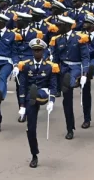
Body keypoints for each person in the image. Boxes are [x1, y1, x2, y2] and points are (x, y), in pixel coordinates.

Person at [18, 38, 59, 168]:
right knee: (31, 129)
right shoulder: (26, 66)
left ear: (43, 51)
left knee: (38, 93)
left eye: (39, 50)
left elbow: (53, 86)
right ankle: (34, 154)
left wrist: (52, 101)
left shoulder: (49, 66)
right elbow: (22, 86)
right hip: (30, 97)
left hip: (43, 94)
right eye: (35, 50)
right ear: (32, 51)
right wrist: (22, 106)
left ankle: (36, 96)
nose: (37, 53)